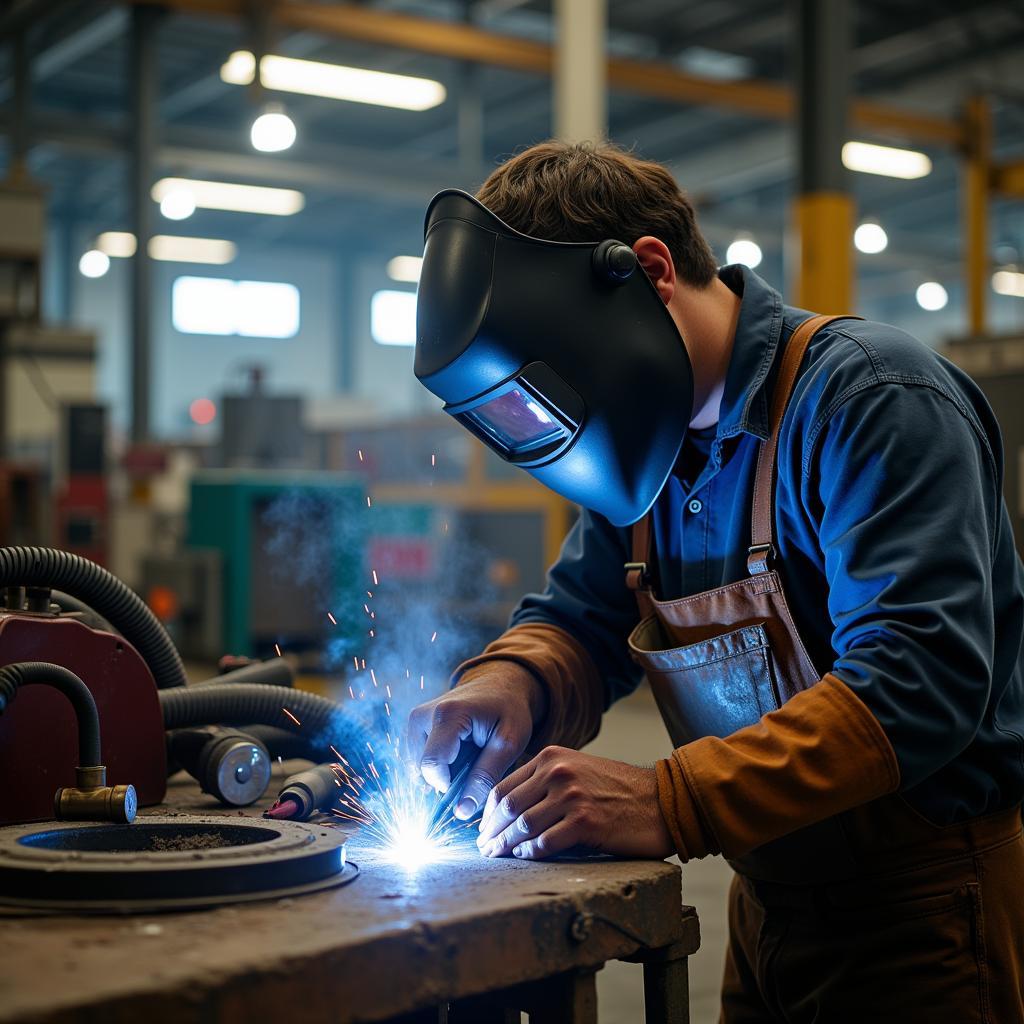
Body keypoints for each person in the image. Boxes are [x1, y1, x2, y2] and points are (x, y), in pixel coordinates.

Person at [406, 140, 1024, 1022]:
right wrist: (511, 682)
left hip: (924, 919)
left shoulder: (869, 400)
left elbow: (920, 680)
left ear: (650, 273)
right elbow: (583, 615)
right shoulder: (646, 449)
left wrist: (667, 798)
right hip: (763, 903)